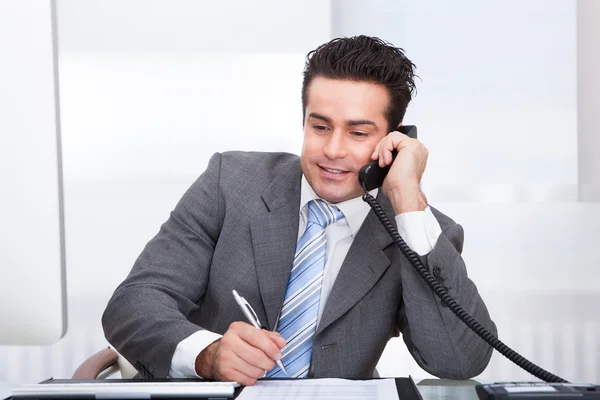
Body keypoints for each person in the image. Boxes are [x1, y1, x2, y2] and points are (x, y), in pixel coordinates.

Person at [102, 35, 496, 385]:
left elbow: (460, 360)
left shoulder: (419, 230)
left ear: (394, 141)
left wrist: (407, 198)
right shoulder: (230, 182)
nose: (333, 150)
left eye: (358, 133)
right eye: (320, 127)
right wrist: (209, 354)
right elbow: (132, 305)